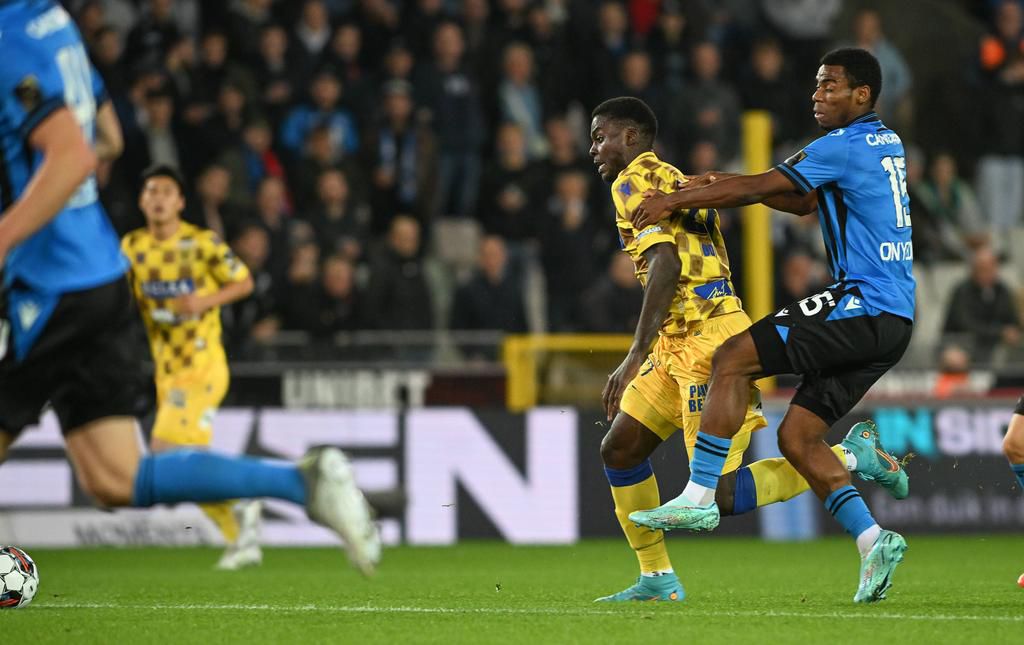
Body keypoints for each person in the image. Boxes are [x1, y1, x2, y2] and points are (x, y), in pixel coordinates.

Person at [0, 0, 379, 576]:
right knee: (115, 478)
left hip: (46, 284)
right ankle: (302, 481)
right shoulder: (49, 21)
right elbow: (107, 136)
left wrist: (7, 233)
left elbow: (75, 154)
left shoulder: (7, 38)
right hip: (100, 276)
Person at [588, 96, 907, 603]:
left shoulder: (632, 184)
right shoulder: (675, 176)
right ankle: (657, 578)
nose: (593, 150)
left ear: (630, 138)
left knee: (718, 493)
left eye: (600, 136)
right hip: (679, 339)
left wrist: (631, 358)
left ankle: (849, 453)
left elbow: (666, 267)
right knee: (620, 448)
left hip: (708, 338)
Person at [122, 165, 263, 570]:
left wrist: (203, 302)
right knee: (183, 462)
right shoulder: (132, 248)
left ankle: (241, 507)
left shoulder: (201, 243)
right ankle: (239, 526)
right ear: (142, 201)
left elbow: (244, 282)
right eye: (151, 191)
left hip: (202, 366)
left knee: (165, 453)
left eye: (167, 191)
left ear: (181, 202)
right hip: (166, 372)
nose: (159, 198)